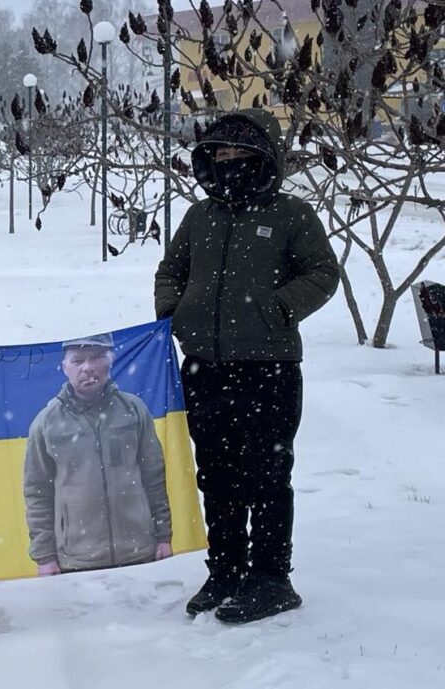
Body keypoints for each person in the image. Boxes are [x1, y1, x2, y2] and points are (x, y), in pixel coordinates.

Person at [154, 109, 339, 624]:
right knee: (216, 474)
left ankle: (272, 579)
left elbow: (323, 272)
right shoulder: (199, 217)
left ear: (264, 158)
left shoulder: (291, 215)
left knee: (267, 474)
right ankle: (227, 569)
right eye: (220, 152)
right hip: (204, 368)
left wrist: (277, 308)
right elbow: (171, 270)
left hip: (268, 368)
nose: (229, 160)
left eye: (240, 152)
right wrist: (173, 310)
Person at [24, 334, 173, 575]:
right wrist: (45, 557)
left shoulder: (134, 411)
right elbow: (37, 493)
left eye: (96, 357)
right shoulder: (46, 423)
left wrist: (163, 536)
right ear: (65, 367)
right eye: (78, 360)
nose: (88, 367)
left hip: (139, 552)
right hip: (77, 561)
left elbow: (154, 478)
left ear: (111, 359)